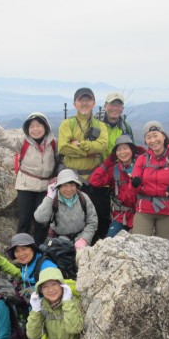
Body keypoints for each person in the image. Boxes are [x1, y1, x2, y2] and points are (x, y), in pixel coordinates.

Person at [0, 111, 58, 245]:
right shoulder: (23, 142)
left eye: (39, 125)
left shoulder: (53, 143)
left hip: (44, 187)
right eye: (32, 126)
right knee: (24, 220)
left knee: (41, 220)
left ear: (45, 127)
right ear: (27, 129)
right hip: (25, 186)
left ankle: (38, 249)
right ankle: (21, 249)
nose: (35, 129)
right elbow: (6, 141)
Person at [58, 87, 109, 244]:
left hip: (94, 179)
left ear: (93, 103)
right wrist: (89, 152)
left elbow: (103, 146)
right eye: (81, 100)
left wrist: (79, 144)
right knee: (75, 218)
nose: (85, 103)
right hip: (73, 179)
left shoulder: (100, 125)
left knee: (97, 217)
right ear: (75, 104)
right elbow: (63, 147)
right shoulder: (67, 124)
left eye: (88, 100)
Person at [130, 122, 169, 241]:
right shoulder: (142, 160)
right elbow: (132, 189)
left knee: (164, 248)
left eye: (155, 135)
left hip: (168, 211)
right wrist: (134, 184)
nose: (153, 140)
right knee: (138, 245)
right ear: (145, 141)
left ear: (163, 136)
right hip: (144, 210)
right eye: (148, 137)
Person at [90, 134, 145, 237]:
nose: (123, 152)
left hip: (141, 215)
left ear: (132, 150)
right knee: (109, 240)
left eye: (125, 148)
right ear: (115, 153)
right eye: (119, 150)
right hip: (121, 216)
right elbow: (94, 181)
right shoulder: (115, 170)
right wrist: (107, 163)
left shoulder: (143, 167)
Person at [26, 268, 84, 339]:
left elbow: (74, 329)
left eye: (54, 284)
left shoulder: (74, 303)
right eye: (45, 286)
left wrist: (67, 303)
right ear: (40, 290)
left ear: (61, 286)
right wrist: (35, 311)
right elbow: (32, 335)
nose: (50, 290)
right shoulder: (42, 306)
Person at [34, 169, 98, 251]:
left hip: (80, 238)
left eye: (72, 185)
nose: (68, 189)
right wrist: (49, 197)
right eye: (64, 185)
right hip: (58, 240)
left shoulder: (83, 198)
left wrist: (84, 239)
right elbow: (40, 218)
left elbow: (92, 221)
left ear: (76, 186)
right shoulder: (53, 199)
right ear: (58, 187)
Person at [99, 92, 134, 157]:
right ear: (105, 106)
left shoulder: (126, 128)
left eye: (118, 105)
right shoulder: (95, 125)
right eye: (112, 104)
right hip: (98, 166)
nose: (115, 108)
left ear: (122, 109)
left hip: (118, 166)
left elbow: (132, 150)